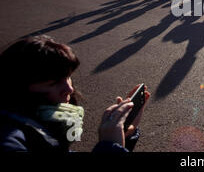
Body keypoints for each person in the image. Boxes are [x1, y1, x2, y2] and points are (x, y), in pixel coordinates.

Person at [0, 35, 150, 152]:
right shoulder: (9, 140)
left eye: (68, 77)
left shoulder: (34, 125)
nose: (69, 89)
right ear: (17, 86)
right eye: (53, 83)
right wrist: (110, 146)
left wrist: (124, 135)